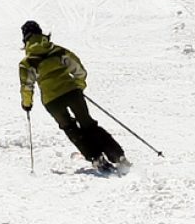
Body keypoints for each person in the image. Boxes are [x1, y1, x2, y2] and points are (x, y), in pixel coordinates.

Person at [18, 21, 125, 171]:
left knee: (70, 128)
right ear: (40, 33)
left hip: (52, 100)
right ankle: (116, 155)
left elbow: (27, 86)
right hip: (72, 92)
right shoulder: (57, 50)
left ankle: (95, 157)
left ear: (24, 39)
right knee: (88, 124)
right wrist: (79, 86)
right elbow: (78, 68)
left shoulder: (26, 63)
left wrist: (27, 104)